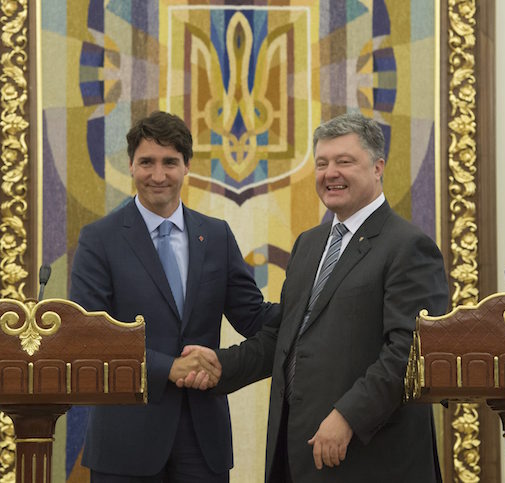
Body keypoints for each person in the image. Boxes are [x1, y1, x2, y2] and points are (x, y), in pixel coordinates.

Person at [180, 113, 449, 482]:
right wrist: (221, 366)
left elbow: (407, 353)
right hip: (299, 454)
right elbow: (285, 336)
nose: (330, 173)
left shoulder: (409, 247)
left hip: (371, 459)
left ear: (377, 167)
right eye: (322, 164)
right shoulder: (310, 244)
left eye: (344, 161)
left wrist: (348, 416)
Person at [70, 111, 279, 482]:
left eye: (170, 162)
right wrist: (170, 368)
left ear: (187, 168)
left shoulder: (216, 236)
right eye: (146, 162)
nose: (158, 175)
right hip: (126, 441)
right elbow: (91, 336)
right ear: (131, 166)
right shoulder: (99, 240)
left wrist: (315, 307)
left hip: (204, 441)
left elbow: (252, 316)